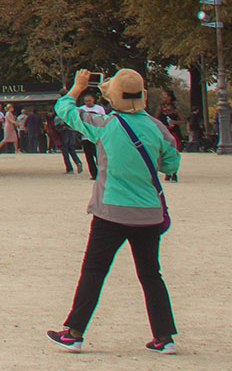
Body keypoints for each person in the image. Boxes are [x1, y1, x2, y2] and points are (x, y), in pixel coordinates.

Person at [47, 68, 180, 355]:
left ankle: (74, 332)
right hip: (148, 213)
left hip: (111, 212)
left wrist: (77, 87)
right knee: (151, 274)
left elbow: (64, 110)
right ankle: (164, 336)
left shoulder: (104, 124)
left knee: (94, 270)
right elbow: (171, 164)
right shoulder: (158, 128)